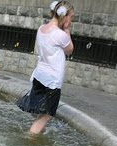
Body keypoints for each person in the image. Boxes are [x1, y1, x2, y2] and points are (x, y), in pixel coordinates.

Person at [16, 1, 74, 134]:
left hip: (40, 75)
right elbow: (70, 49)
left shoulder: (41, 29)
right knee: (47, 114)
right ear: (65, 16)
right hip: (52, 80)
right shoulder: (60, 35)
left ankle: (39, 134)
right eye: (71, 17)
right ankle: (31, 138)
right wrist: (66, 30)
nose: (71, 20)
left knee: (42, 112)